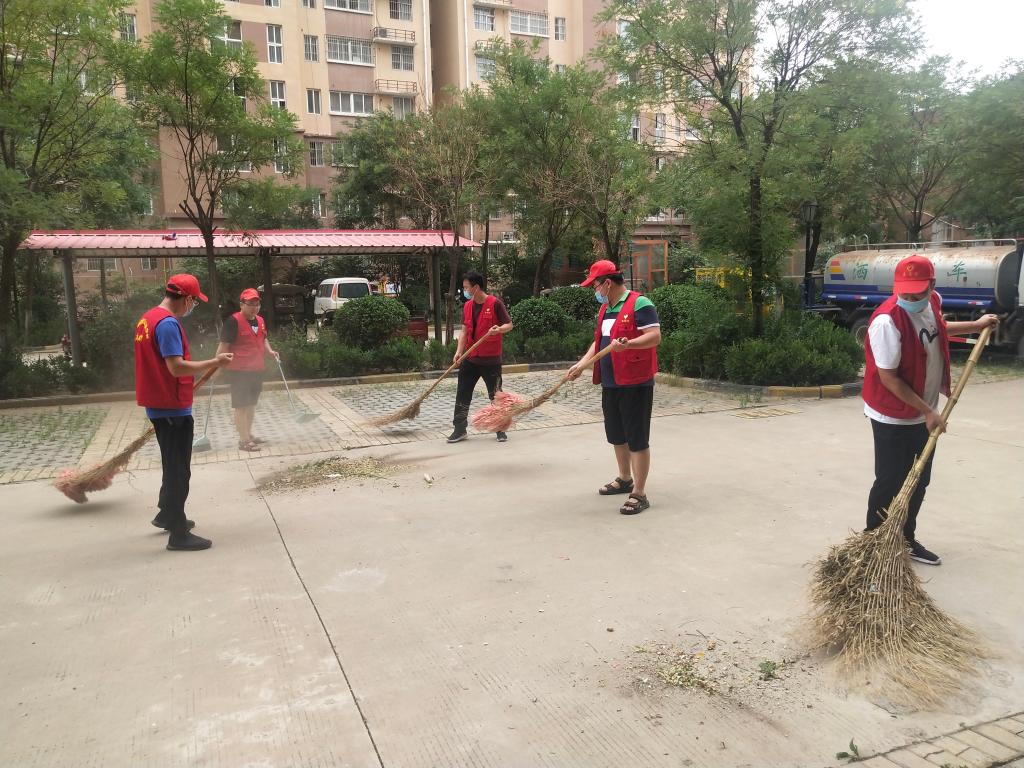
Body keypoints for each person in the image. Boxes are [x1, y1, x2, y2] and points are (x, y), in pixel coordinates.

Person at [862, 254, 998, 565]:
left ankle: (905, 538)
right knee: (890, 480)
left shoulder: (932, 302)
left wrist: (976, 325)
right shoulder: (886, 322)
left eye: (917, 293)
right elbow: (888, 378)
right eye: (905, 294)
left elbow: (939, 327)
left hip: (924, 411)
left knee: (919, 479)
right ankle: (872, 544)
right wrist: (927, 411)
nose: (911, 299)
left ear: (931, 286)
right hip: (893, 415)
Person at [134, 274, 232, 551]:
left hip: (160, 404)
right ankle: (178, 535)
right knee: (179, 470)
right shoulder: (167, 324)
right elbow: (176, 367)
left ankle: (167, 514)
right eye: (194, 302)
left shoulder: (148, 318)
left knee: (172, 464)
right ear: (187, 299)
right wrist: (214, 361)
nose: (193, 307)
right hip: (171, 408)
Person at [567, 260, 661, 515]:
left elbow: (654, 336)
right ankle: (625, 478)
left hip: (635, 381)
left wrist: (629, 344)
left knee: (637, 438)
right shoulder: (606, 309)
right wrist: (581, 365)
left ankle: (639, 492)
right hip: (611, 381)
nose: (594, 291)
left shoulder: (640, 303)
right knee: (617, 434)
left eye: (595, 286)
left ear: (607, 283)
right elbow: (598, 342)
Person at [448, 271, 514, 444]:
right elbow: (464, 331)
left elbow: (509, 325)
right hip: (471, 358)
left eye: (466, 287)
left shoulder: (495, 303)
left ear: (476, 287)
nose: (464, 291)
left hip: (490, 360)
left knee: (496, 395)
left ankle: (500, 429)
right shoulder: (468, 306)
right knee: (462, 393)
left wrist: (499, 329)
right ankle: (459, 429)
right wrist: (459, 351)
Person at [216, 288, 279, 452]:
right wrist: (216, 366)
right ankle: (243, 441)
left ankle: (248, 434)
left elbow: (263, 339)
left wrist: (270, 351)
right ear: (241, 304)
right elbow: (223, 346)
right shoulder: (233, 321)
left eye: (256, 304)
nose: (254, 307)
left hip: (257, 369)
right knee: (241, 405)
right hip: (239, 371)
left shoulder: (260, 320)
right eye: (250, 304)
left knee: (251, 404)